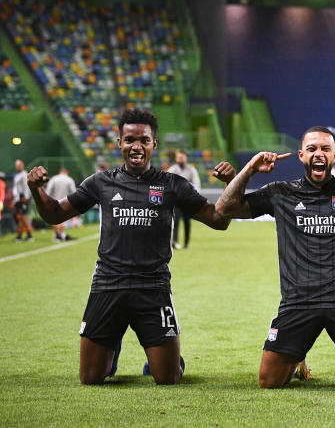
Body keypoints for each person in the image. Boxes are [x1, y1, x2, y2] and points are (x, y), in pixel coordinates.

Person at [27, 108, 236, 385]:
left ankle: (170, 359)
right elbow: (54, 214)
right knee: (91, 378)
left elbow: (218, 220)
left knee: (168, 378)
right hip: (108, 285)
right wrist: (35, 189)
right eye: (129, 140)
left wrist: (231, 185)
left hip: (153, 287)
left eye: (143, 140)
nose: (136, 146)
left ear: (154, 145)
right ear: (119, 143)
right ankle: (111, 349)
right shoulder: (101, 182)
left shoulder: (172, 185)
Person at [215, 126, 335, 389]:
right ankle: (296, 357)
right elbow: (224, 208)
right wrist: (250, 167)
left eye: (325, 149)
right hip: (298, 300)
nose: (318, 154)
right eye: (311, 149)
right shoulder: (280, 192)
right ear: (301, 156)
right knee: (269, 382)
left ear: (334, 157)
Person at [167, 150, 201, 249]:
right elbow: (167, 183)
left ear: (185, 158)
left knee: (187, 221)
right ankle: (175, 242)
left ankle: (186, 243)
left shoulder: (191, 169)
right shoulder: (172, 169)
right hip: (176, 200)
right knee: (175, 221)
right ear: (176, 158)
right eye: (179, 157)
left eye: (182, 157)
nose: (180, 159)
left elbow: (197, 184)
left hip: (187, 200)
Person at [44, 167, 77, 242]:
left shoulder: (54, 179)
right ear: (66, 172)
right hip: (65, 202)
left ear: (60, 172)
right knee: (62, 219)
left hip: (54, 201)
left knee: (54, 219)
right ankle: (60, 235)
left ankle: (58, 234)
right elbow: (74, 193)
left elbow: (48, 191)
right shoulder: (69, 179)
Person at [12, 159, 33, 242]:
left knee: (22, 216)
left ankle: (29, 235)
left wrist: (26, 197)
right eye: (16, 165)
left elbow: (27, 186)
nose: (17, 167)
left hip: (23, 198)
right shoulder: (17, 175)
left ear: (22, 165)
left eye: (19, 165)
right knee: (20, 217)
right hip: (18, 199)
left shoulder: (24, 174)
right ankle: (19, 236)